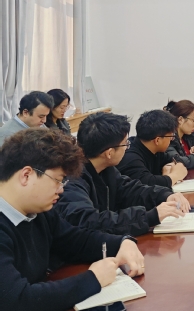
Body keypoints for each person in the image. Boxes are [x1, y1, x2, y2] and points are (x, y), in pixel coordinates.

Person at [0, 128, 145, 311]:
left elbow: (75, 241)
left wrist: (122, 242)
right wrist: (93, 279)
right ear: (26, 175)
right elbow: (17, 300)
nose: (61, 190)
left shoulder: (38, 212)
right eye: (58, 180)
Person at [55, 112, 190, 236]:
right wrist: (150, 216)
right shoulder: (72, 180)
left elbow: (130, 190)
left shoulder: (106, 169)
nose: (127, 148)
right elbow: (91, 221)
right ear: (109, 153)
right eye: (125, 144)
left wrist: (165, 195)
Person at [117, 110, 188, 188]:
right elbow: (146, 183)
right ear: (157, 140)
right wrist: (174, 176)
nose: (171, 139)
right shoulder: (130, 157)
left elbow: (175, 159)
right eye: (171, 136)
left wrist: (169, 166)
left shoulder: (155, 150)